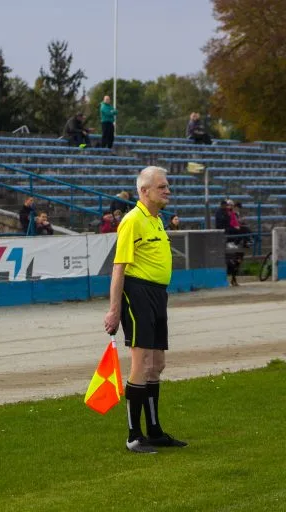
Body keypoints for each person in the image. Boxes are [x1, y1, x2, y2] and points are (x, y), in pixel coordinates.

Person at [104, 166, 188, 454]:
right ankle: (133, 435)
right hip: (137, 293)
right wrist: (114, 309)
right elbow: (118, 268)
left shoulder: (157, 220)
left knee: (157, 365)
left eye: (167, 186)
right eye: (162, 186)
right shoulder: (132, 221)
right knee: (140, 363)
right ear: (144, 191)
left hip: (157, 294)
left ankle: (154, 431)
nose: (168, 191)